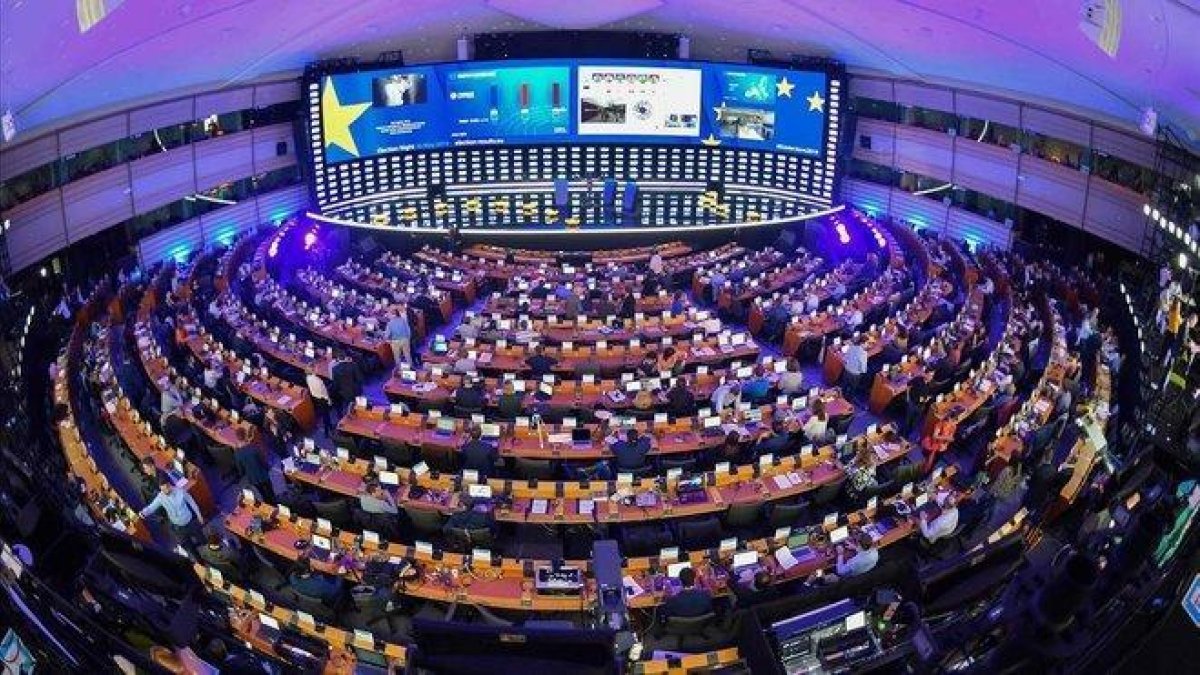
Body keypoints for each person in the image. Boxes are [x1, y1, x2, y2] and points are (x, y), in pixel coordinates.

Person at [138, 481, 205, 552]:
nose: (164, 492)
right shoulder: (161, 496)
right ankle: (198, 558)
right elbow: (151, 507)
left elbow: (192, 502)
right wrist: (143, 513)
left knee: (202, 540)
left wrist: (199, 515)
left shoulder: (180, 491)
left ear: (169, 486)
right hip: (178, 527)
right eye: (162, 490)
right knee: (189, 548)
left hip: (190, 522)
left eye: (165, 489)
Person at [234, 429, 275, 503]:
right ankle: (275, 503)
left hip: (252, 478)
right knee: (271, 492)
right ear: (245, 436)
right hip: (263, 475)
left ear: (237, 438)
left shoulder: (237, 453)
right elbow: (262, 461)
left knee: (263, 494)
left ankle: (269, 505)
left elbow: (241, 471)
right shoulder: (254, 448)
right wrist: (268, 467)